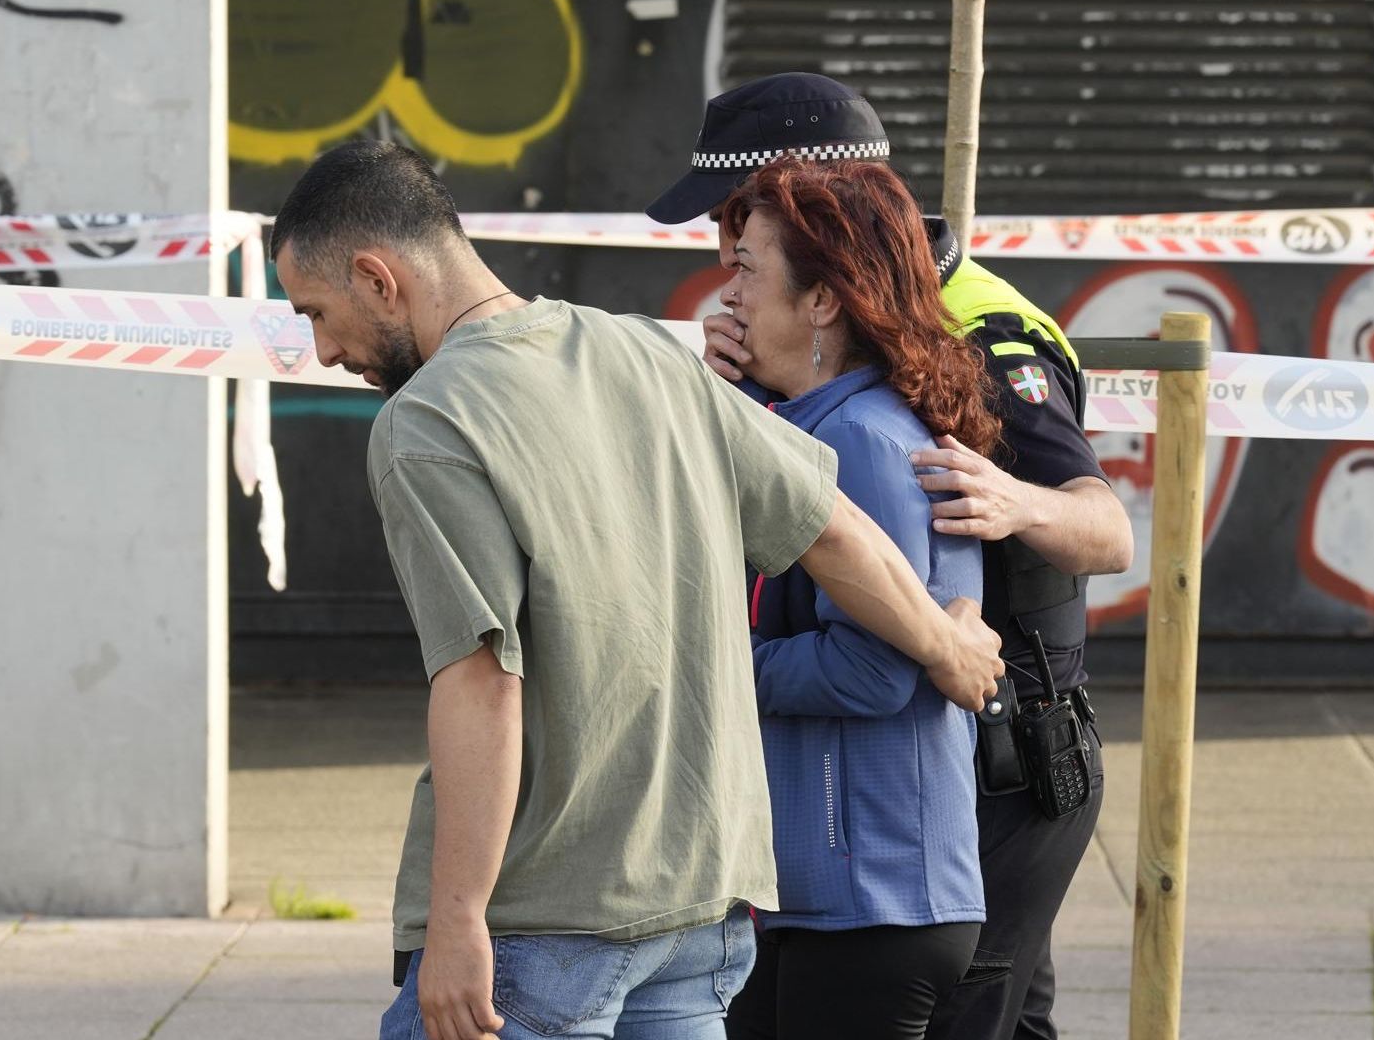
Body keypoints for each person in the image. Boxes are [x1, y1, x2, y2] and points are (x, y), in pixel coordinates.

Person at [268, 140, 1006, 1040]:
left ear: (379, 278)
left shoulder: (428, 422)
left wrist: (458, 918)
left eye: (318, 313)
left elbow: (481, 680)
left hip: (542, 923)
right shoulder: (640, 353)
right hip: (702, 912)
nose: (323, 350)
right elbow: (833, 527)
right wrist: (947, 646)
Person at [646, 73, 1133, 1040]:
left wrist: (1012, 499)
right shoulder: (814, 354)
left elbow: (1108, 530)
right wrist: (742, 395)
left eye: (740, 233)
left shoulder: (985, 329)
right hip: (893, 786)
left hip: (999, 760)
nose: (722, 262)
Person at [715, 157, 997, 1039]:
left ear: (822, 303)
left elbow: (874, 672)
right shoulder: (816, 424)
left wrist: (712, 667)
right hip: (830, 896)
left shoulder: (864, 444)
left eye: (746, 270)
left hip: (873, 897)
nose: (728, 295)